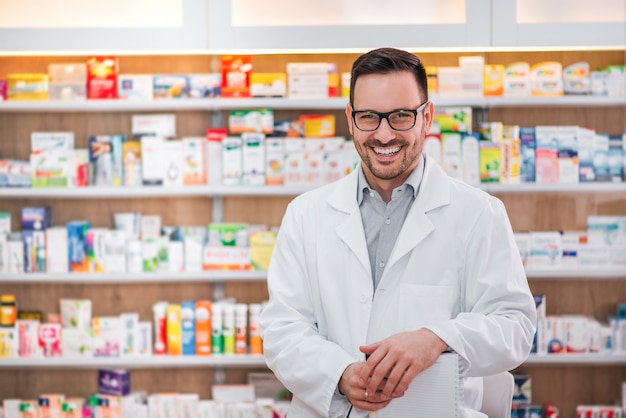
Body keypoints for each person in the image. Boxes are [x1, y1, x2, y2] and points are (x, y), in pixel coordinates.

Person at [259, 47, 537, 418]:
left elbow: (514, 326)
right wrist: (340, 374)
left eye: (402, 116)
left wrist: (436, 339)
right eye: (369, 117)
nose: (384, 134)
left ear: (427, 117)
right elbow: (281, 329)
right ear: (350, 118)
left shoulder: (478, 213)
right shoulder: (305, 214)